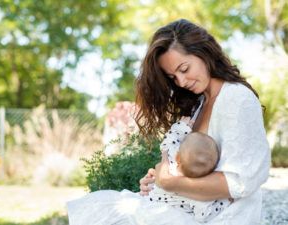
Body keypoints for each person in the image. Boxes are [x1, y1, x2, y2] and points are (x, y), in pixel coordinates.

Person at [66, 19, 270, 225]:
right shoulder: (199, 104)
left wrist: (169, 183)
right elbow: (187, 168)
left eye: (184, 69)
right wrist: (157, 184)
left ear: (204, 53)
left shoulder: (236, 98)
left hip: (223, 218)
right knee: (106, 205)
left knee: (113, 210)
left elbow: (240, 182)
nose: (181, 82)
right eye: (173, 77)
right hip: (190, 210)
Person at [148, 116, 231, 223]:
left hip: (151, 203)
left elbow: (168, 142)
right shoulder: (196, 192)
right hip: (169, 217)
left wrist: (181, 126)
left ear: (178, 157)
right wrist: (225, 201)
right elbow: (204, 215)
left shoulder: (171, 160)